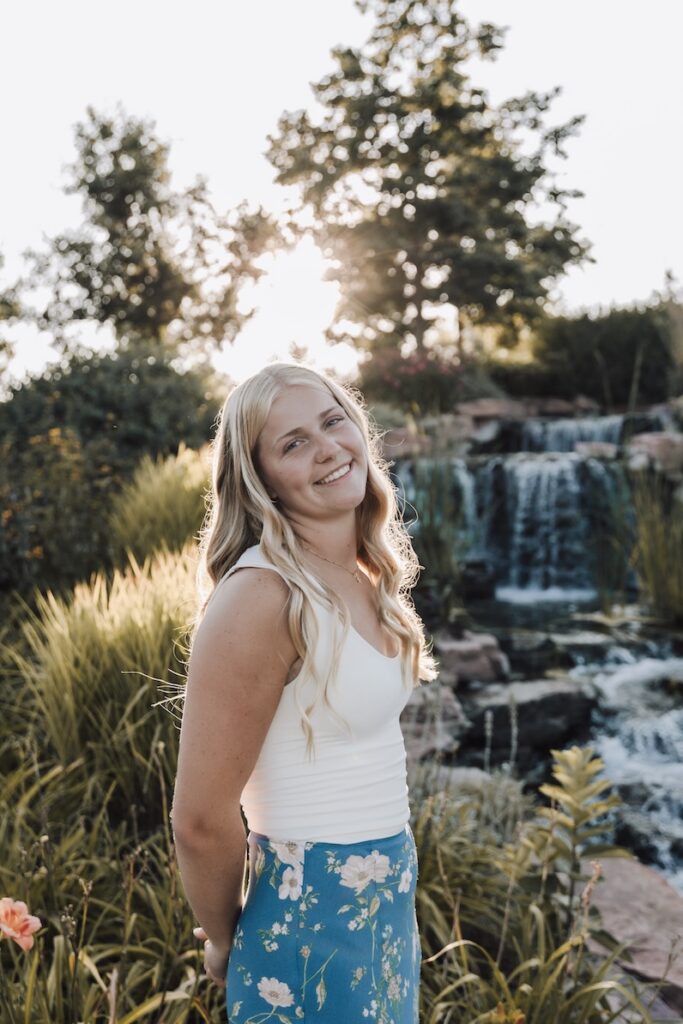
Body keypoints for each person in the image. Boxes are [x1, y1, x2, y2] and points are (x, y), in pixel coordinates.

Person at [171, 360, 437, 1023]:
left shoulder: (361, 568)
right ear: (259, 479)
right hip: (304, 912)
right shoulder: (261, 597)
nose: (327, 448)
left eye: (332, 421)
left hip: (384, 889)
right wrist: (229, 941)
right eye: (293, 443)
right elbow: (199, 821)